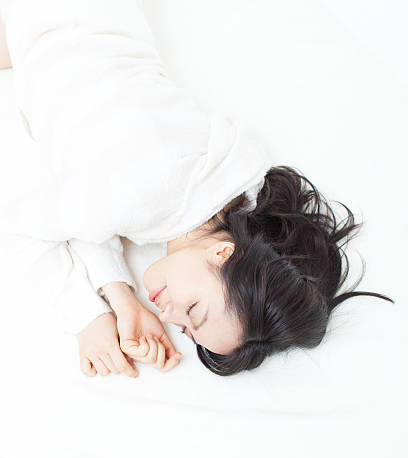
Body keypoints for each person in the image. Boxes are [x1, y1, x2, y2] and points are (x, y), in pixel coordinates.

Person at [0, 1, 394, 379]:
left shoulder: (228, 185)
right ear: (224, 252)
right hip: (50, 18)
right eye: (192, 309)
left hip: (78, 27)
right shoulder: (141, 193)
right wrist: (88, 318)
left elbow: (90, 208)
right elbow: (20, 227)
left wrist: (124, 301)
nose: (170, 316)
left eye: (186, 329)